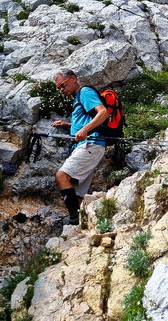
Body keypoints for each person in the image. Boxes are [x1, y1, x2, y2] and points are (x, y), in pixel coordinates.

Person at [51, 69, 108, 225]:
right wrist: (69, 125)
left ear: (73, 78)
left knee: (61, 176)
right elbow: (86, 119)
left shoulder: (85, 92)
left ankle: (74, 219)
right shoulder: (78, 97)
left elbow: (103, 113)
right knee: (77, 194)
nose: (61, 89)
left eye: (63, 85)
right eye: (58, 87)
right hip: (88, 145)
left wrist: (84, 130)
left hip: (90, 144)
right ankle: (82, 225)